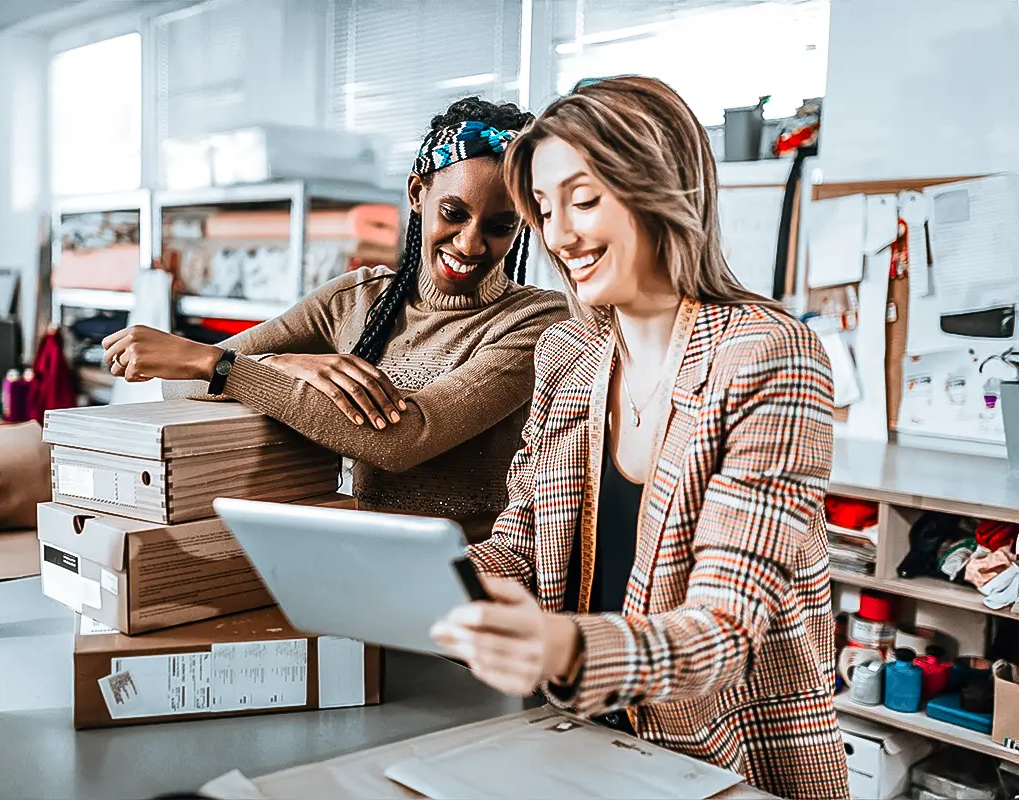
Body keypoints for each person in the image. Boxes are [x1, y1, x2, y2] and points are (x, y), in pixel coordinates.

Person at [430, 77, 849, 799]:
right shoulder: (569, 355)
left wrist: (562, 649)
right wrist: (437, 580)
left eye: (585, 200)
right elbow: (519, 547)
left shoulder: (768, 355)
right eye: (545, 209)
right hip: (579, 742)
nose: (560, 236)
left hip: (725, 764)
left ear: (660, 189)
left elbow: (723, 632)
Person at [102, 98, 569, 541]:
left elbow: (405, 439)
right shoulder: (355, 298)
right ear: (417, 193)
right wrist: (277, 363)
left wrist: (222, 365)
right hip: (357, 558)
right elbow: (181, 382)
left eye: (500, 226)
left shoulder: (536, 321)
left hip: (476, 577)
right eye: (453, 213)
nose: (470, 244)